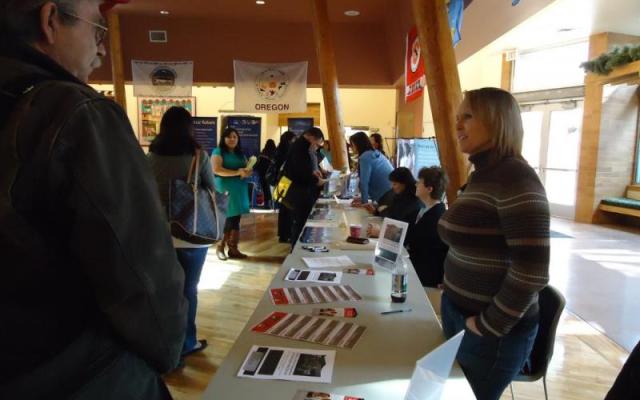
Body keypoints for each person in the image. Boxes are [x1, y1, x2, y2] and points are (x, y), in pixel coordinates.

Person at [0, 1, 187, 399]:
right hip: (69, 368)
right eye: (97, 30)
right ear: (50, 21)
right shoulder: (75, 112)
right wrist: (167, 352)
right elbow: (143, 278)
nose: (102, 49)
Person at [438, 87, 550, 400]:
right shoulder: (483, 175)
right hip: (460, 314)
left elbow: (532, 272)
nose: (457, 125)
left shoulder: (516, 179)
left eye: (468, 117)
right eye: (457, 118)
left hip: (490, 334)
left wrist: (488, 325)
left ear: (498, 121)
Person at [147, 107, 214, 360]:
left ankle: (163, 342)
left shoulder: (150, 156)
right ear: (189, 127)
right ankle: (187, 342)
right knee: (189, 290)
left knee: (164, 290)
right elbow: (211, 188)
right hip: (192, 233)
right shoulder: (198, 156)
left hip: (158, 233)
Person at [283, 127, 327, 248]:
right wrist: (317, 180)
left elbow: (303, 169)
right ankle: (297, 250)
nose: (317, 148)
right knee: (300, 223)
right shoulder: (300, 148)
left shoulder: (300, 146)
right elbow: (301, 173)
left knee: (300, 222)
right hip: (298, 193)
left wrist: (314, 174)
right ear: (312, 138)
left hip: (299, 191)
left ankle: (298, 248)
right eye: (317, 145)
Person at [406, 166, 449, 288]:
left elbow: (415, 240)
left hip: (426, 279)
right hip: (417, 271)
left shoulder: (437, 216)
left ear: (429, 189)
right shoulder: (423, 209)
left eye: (419, 182)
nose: (415, 184)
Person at [212, 127, 251, 260]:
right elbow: (216, 169)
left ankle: (233, 249)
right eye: (229, 136)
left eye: (235, 136)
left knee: (235, 219)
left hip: (239, 188)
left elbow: (246, 168)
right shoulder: (218, 151)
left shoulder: (240, 153)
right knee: (226, 218)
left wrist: (247, 172)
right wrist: (237, 172)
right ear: (223, 139)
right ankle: (220, 248)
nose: (232, 139)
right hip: (225, 188)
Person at [365, 167, 422, 238]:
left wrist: (381, 232)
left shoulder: (412, 199)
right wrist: (376, 211)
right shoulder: (401, 194)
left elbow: (394, 219)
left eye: (394, 184)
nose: (392, 187)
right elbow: (392, 211)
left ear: (404, 184)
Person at [349, 131, 393, 205]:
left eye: (352, 145)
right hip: (390, 193)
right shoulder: (374, 153)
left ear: (358, 144)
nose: (352, 148)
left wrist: (364, 202)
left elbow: (364, 182)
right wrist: (363, 198)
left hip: (385, 196)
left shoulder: (365, 157)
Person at [274, 131, 297, 243]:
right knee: (288, 209)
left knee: (283, 210)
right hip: (287, 182)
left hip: (281, 182)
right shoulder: (289, 151)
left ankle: (283, 235)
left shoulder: (279, 150)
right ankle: (287, 234)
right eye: (293, 139)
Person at [254, 139, 277, 209]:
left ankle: (267, 204)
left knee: (265, 189)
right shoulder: (275, 152)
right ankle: (273, 204)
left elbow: (258, 163)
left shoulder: (263, 152)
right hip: (271, 174)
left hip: (262, 173)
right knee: (272, 189)